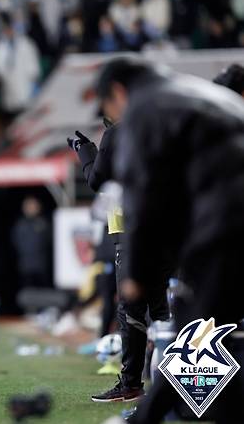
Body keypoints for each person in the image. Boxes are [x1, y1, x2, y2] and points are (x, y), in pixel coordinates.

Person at [96, 57, 244, 423]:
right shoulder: (198, 94)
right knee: (212, 326)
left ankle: (150, 416)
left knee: (198, 329)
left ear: (117, 93)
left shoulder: (146, 110)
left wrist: (137, 271)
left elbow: (144, 198)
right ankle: (175, 411)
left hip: (226, 225)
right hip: (229, 221)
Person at [68, 117, 171, 402]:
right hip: (164, 227)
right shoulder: (159, 127)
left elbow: (96, 180)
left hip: (130, 229)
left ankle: (131, 383)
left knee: (131, 310)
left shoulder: (117, 132)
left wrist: (83, 150)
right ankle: (177, 381)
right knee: (161, 308)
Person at [11, 196, 52, 291]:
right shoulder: (20, 224)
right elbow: (15, 242)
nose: (31, 209)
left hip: (41, 265)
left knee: (42, 289)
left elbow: (49, 241)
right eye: (28, 206)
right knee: (27, 289)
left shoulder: (44, 223)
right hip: (25, 265)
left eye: (33, 206)